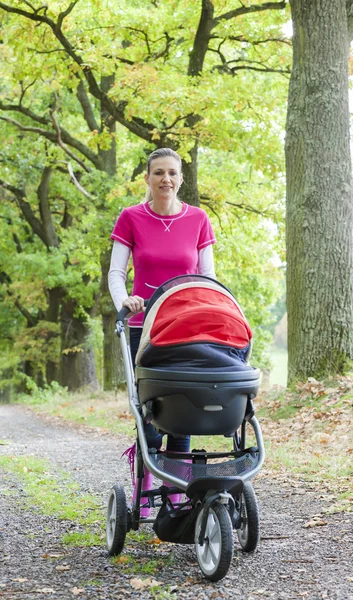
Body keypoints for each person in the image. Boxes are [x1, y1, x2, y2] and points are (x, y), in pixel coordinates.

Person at [108, 148, 216, 511]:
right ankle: (145, 486)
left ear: (181, 178)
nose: (165, 179)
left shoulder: (198, 219)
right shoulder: (131, 218)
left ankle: (176, 493)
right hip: (144, 326)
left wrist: (209, 310)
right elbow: (116, 273)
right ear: (147, 178)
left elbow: (207, 277)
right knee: (150, 410)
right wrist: (125, 300)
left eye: (172, 173)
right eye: (158, 173)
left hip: (185, 326)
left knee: (180, 409)